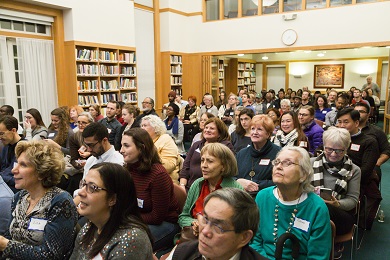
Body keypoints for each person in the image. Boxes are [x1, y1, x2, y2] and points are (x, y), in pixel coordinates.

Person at [0, 141, 78, 259]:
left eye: (23, 165)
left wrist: (6, 245)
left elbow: (52, 254)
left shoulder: (60, 201)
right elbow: (9, 237)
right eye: (17, 164)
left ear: (42, 172)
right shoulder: (19, 197)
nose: (13, 170)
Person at [251, 146, 331, 259]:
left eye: (287, 163)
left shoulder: (316, 207)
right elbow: (255, 241)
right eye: (277, 162)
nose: (278, 167)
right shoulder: (263, 197)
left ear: (303, 175)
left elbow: (318, 256)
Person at [70, 163, 153, 259]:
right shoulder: (89, 227)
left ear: (112, 199)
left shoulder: (132, 239)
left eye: (92, 187)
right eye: (84, 184)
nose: (80, 192)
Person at [121, 128, 179, 251]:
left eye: (126, 146)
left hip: (165, 223)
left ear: (141, 148)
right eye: (121, 145)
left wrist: (127, 218)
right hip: (137, 219)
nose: (121, 150)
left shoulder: (158, 175)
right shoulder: (129, 169)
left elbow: (157, 217)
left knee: (128, 246)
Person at [168, 188, 265, 260]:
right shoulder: (182, 253)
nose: (205, 231)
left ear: (244, 237)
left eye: (218, 227)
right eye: (205, 219)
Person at [311, 127, 361, 259]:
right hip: (311, 210)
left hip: (341, 216)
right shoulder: (310, 163)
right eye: (329, 149)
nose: (333, 154)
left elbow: (352, 200)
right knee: (316, 206)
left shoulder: (354, 170)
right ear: (324, 146)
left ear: (347, 149)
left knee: (323, 206)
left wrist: (336, 203)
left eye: (339, 151)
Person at [178, 143, 243, 232]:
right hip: (194, 236)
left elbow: (240, 224)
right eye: (202, 160)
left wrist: (206, 227)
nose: (203, 165)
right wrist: (193, 222)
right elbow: (183, 216)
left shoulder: (235, 189)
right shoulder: (197, 184)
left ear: (223, 166)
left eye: (210, 161)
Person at [336, 107, 381, 230]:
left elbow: (365, 170)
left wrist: (343, 179)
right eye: (339, 122)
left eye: (346, 122)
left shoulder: (368, 141)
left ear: (356, 123)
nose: (341, 125)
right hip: (332, 176)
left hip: (355, 180)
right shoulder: (334, 138)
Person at [73, 122, 124, 204]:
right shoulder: (91, 160)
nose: (89, 149)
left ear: (104, 141)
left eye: (91, 145)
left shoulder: (118, 163)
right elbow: (83, 187)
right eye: (87, 145)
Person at [179, 117, 234, 191]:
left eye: (212, 128)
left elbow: (228, 168)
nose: (207, 130)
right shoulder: (196, 145)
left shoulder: (225, 146)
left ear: (220, 133)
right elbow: (186, 166)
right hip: (191, 187)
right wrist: (182, 185)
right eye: (206, 127)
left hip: (214, 189)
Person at [236, 115, 281, 194]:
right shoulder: (241, 153)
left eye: (259, 129)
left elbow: (280, 180)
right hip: (241, 197)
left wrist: (254, 184)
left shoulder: (279, 154)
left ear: (268, 134)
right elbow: (231, 176)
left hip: (267, 197)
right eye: (252, 129)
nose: (255, 132)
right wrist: (238, 181)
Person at [141, 115, 182, 183]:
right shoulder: (143, 142)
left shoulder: (166, 139)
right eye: (141, 126)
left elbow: (170, 166)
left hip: (165, 181)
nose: (142, 128)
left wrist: (148, 158)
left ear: (156, 128)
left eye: (145, 125)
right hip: (147, 179)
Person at [354, 102, 390, 180]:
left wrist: (377, 163)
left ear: (368, 114)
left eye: (361, 112)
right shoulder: (349, 130)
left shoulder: (376, 131)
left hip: (370, 168)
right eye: (356, 112)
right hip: (351, 167)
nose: (358, 114)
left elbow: (387, 150)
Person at [66, 112, 94, 194]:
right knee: (73, 180)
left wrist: (90, 154)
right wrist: (78, 164)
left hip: (95, 164)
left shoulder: (96, 135)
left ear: (90, 124)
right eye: (79, 122)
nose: (80, 125)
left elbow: (101, 152)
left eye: (84, 123)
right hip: (81, 169)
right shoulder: (74, 137)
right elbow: (73, 159)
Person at [0, 116, 25, 192]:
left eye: (2, 134)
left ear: (13, 130)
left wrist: (1, 176)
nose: (0, 137)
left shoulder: (24, 148)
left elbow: (16, 177)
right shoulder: (6, 146)